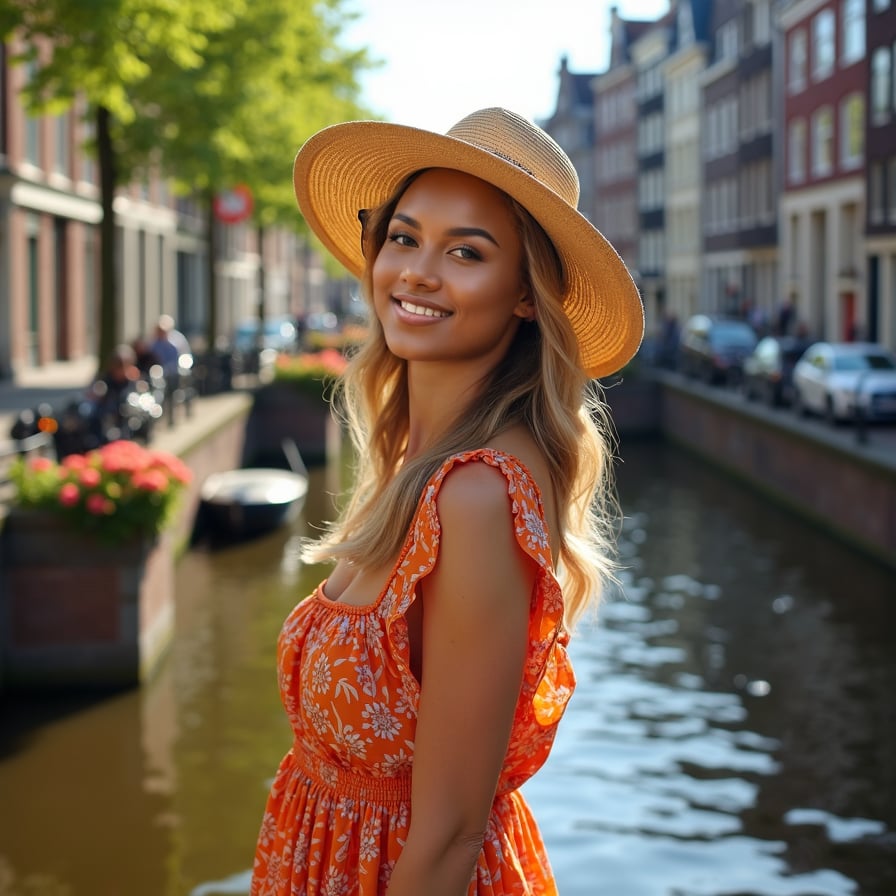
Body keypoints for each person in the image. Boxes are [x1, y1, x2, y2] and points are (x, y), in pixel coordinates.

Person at [250, 108, 644, 896]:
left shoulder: (476, 496)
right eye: (404, 236)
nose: (418, 272)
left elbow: (450, 836)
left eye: (466, 251)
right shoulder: (420, 464)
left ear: (527, 296)